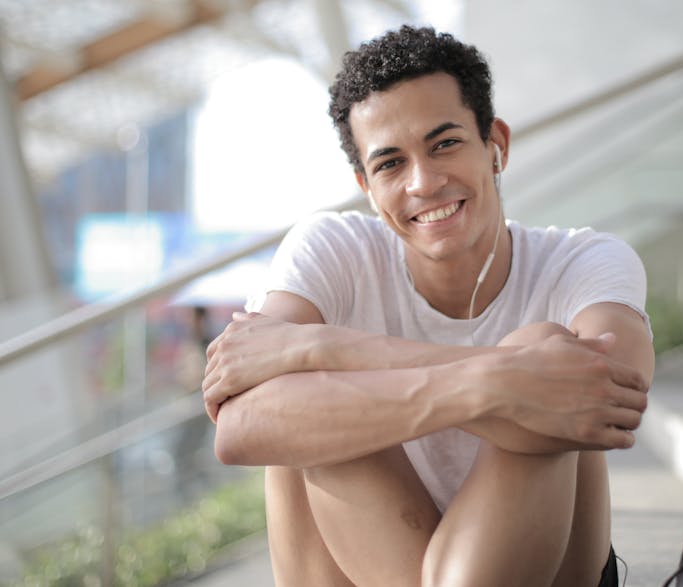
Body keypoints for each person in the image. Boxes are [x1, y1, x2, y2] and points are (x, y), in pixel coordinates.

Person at [202, 25, 654, 587]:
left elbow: (617, 389)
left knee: (543, 346)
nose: (424, 181)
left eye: (445, 144)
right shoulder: (331, 250)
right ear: (365, 184)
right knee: (306, 408)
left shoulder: (582, 261)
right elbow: (240, 427)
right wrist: (494, 386)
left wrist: (326, 345)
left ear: (497, 146)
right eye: (390, 163)